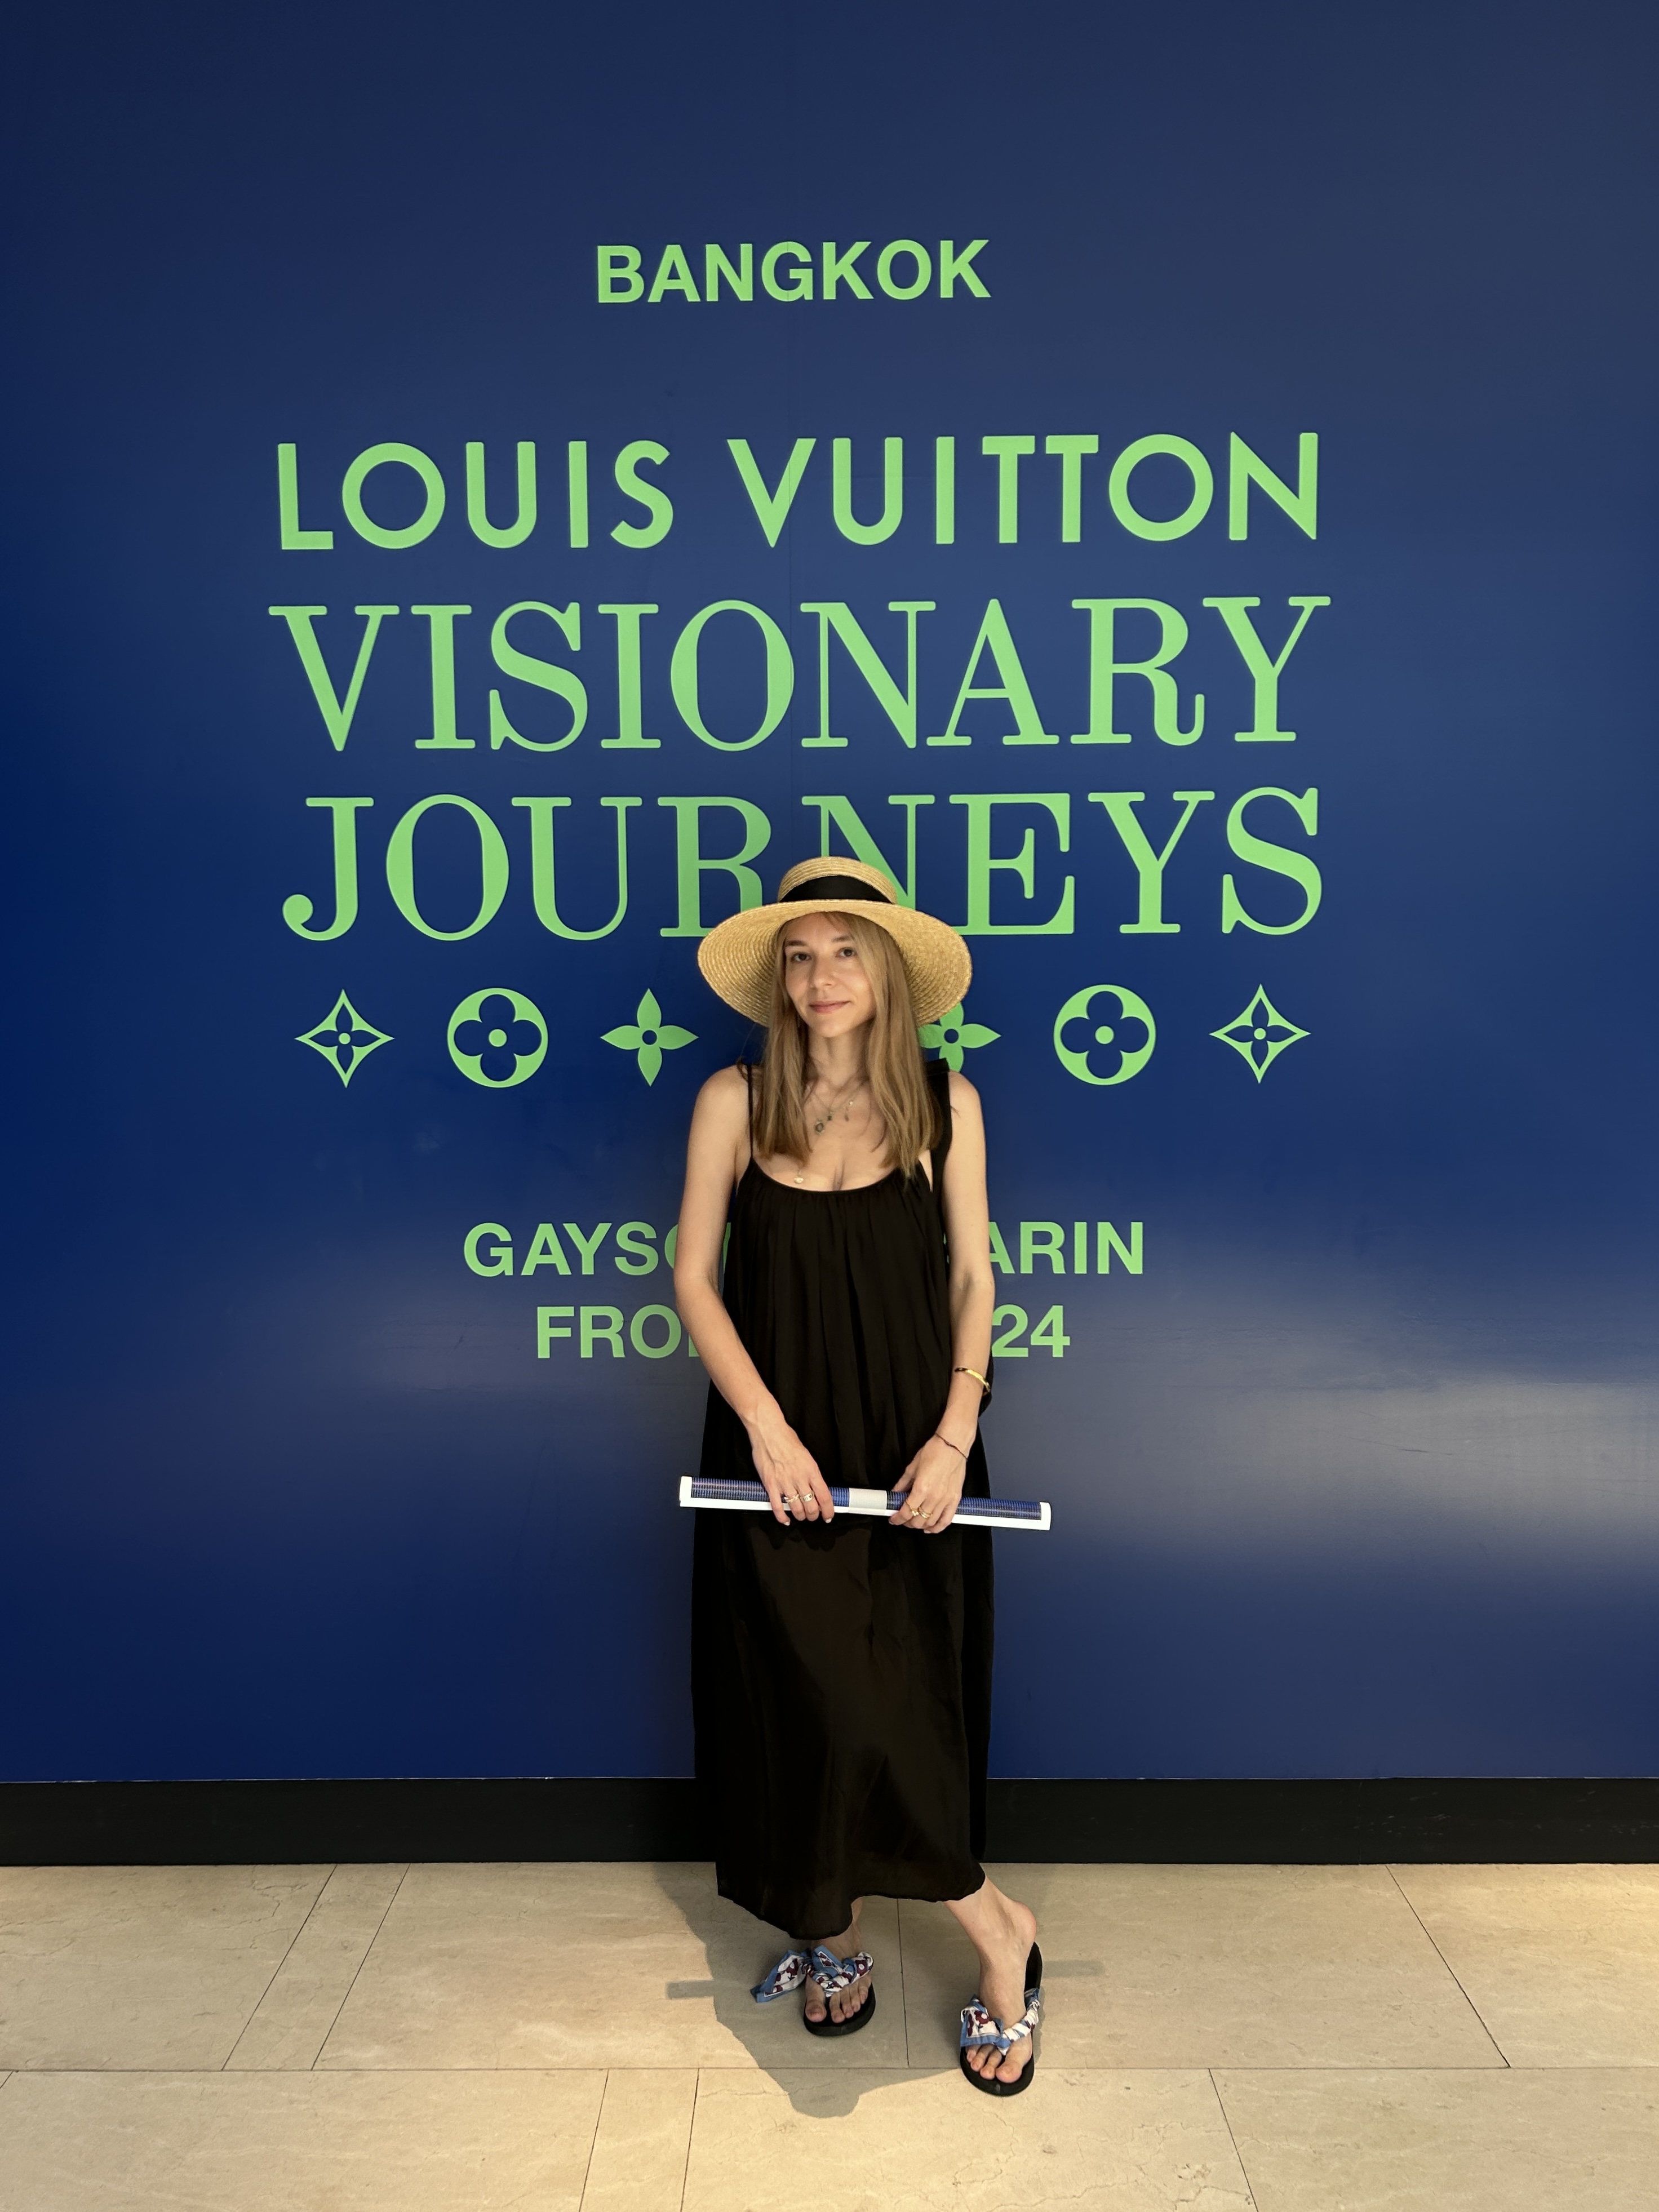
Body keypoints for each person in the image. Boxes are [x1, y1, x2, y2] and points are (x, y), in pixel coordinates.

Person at [673, 855, 1043, 2094]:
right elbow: (692, 1278)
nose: (820, 976)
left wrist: (953, 1433)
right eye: (799, 954)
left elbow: (971, 1278)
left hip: (911, 1445)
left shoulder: (947, 1103)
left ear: (886, 971)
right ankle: (828, 1928)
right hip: (772, 1446)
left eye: (844, 951)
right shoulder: (733, 1098)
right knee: (797, 1692)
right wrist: (766, 1430)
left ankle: (997, 1928)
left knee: (900, 1699)